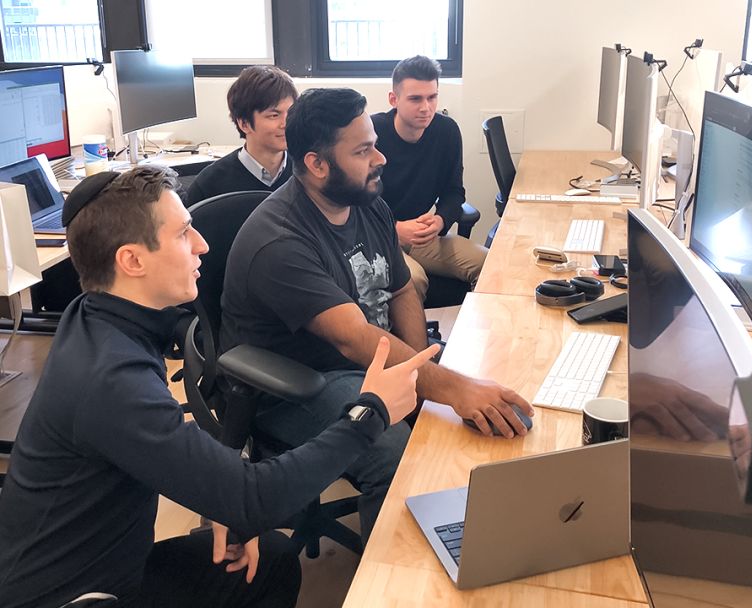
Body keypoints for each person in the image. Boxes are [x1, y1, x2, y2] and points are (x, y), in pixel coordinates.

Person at [0, 166, 437, 608]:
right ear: (132, 261)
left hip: (112, 562)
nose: (202, 245)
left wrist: (221, 492)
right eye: (183, 233)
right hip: (72, 595)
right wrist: (372, 412)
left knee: (270, 561)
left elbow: (201, 476)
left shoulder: (97, 315)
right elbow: (255, 498)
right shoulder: (110, 379)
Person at [220, 88, 534, 542]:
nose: (381, 158)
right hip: (295, 382)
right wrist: (448, 389)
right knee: (392, 449)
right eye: (364, 150)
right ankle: (390, 577)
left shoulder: (367, 202)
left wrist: (424, 371)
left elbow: (401, 286)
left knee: (458, 401)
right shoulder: (281, 241)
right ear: (317, 164)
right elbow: (351, 339)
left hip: (361, 363)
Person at [371, 56, 487, 300]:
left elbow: (454, 191)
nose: (426, 107)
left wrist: (441, 220)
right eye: (415, 99)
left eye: (432, 97)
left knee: (491, 265)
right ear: (394, 99)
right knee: (415, 279)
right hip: (378, 237)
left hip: (423, 235)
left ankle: (477, 335)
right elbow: (352, 203)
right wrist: (394, 229)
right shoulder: (372, 133)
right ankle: (415, 340)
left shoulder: (447, 131)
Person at [185, 65, 297, 206]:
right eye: (274, 115)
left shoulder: (308, 171)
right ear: (244, 124)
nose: (286, 123)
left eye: (291, 112)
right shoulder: (209, 185)